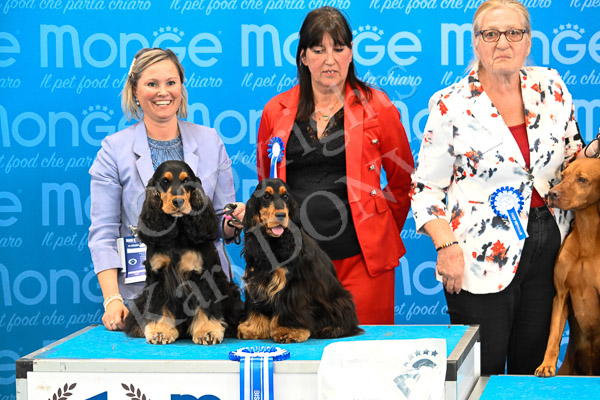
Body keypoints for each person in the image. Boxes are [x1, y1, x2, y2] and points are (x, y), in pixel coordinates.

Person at [410, 0, 585, 375]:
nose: (503, 43)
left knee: (533, 371)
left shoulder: (552, 87)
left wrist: (595, 151)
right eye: (490, 34)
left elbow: (574, 157)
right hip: (478, 257)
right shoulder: (450, 105)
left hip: (550, 246)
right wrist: (446, 246)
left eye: (513, 33)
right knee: (479, 373)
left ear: (528, 41)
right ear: (476, 42)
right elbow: (425, 190)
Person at [256, 7, 414, 325]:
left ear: (350, 53)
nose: (330, 60)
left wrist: (378, 227)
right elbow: (267, 185)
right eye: (319, 50)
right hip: (295, 265)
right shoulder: (275, 110)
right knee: (298, 347)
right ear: (303, 57)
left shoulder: (378, 106)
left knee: (365, 350)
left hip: (362, 264)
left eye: (338, 48)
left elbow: (404, 181)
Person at [88, 48, 244, 332]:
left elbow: (221, 222)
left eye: (171, 82)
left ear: (181, 88)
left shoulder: (210, 141)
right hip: (148, 291)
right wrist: (112, 299)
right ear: (135, 91)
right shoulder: (114, 150)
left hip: (209, 292)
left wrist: (234, 220)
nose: (163, 92)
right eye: (152, 83)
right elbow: (103, 234)